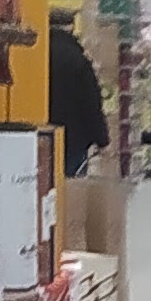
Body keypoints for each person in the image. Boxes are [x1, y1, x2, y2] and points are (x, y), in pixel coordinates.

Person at [45, 11, 110, 180]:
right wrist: (102, 140)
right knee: (70, 185)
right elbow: (91, 102)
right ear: (71, 27)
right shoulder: (78, 59)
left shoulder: (35, 54)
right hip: (73, 138)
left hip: (41, 133)